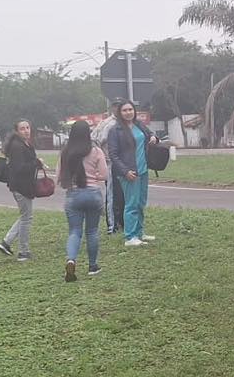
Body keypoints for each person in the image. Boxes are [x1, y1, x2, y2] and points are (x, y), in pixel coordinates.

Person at [57, 120, 108, 282]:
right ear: (88, 133)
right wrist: (94, 176)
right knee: (92, 232)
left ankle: (71, 259)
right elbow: (105, 175)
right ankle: (93, 266)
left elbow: (58, 176)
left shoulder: (65, 152)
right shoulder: (95, 151)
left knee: (74, 231)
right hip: (93, 194)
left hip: (73, 195)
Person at [106, 100, 160, 247]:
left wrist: (154, 137)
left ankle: (139, 232)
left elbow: (150, 134)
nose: (128, 112)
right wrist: (125, 171)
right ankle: (130, 236)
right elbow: (113, 154)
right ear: (119, 112)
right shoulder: (115, 130)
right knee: (131, 204)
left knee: (141, 203)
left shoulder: (139, 125)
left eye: (130, 109)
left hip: (143, 170)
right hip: (129, 172)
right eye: (124, 110)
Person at [0, 119, 45, 261]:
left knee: (25, 216)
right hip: (20, 186)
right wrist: (36, 163)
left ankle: (6, 242)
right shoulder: (17, 146)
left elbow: (28, 164)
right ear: (17, 131)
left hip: (25, 185)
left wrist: (37, 164)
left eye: (28, 127)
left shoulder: (26, 144)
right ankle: (23, 251)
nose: (26, 131)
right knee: (26, 218)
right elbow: (19, 168)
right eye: (22, 128)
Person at [93, 105, 125, 236]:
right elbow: (95, 140)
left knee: (124, 195)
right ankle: (112, 225)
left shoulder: (126, 122)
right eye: (116, 107)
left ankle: (123, 223)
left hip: (125, 164)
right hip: (111, 163)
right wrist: (101, 159)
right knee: (112, 195)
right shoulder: (107, 124)